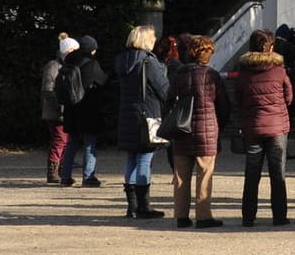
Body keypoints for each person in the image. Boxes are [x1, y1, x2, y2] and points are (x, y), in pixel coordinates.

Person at [165, 34, 234, 228]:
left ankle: (181, 216)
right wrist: (218, 124)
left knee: (181, 175)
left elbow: (169, 101)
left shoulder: (179, 75)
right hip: (206, 129)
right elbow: (224, 105)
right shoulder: (211, 75)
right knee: (204, 173)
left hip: (182, 130)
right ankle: (203, 216)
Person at [233, 28, 294, 226]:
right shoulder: (279, 71)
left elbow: (239, 99)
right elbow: (289, 97)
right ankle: (279, 216)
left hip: (253, 127)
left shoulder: (243, 72)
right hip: (277, 126)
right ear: (272, 47)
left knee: (251, 174)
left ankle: (248, 216)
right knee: (278, 173)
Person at [116, 24, 171, 220]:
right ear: (146, 40)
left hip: (127, 114)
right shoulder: (149, 61)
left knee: (131, 158)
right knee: (145, 159)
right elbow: (163, 89)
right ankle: (144, 207)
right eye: (153, 37)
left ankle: (131, 206)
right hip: (148, 113)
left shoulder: (122, 61)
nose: (155, 40)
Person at [61, 35, 107, 187]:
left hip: (70, 107)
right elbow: (102, 82)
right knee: (89, 142)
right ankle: (88, 176)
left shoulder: (68, 62)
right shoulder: (92, 65)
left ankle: (65, 176)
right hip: (87, 109)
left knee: (72, 143)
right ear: (91, 50)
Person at [41, 33, 76, 183]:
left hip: (63, 111)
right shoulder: (53, 66)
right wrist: (61, 106)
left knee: (65, 140)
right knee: (59, 140)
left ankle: (60, 168)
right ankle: (53, 171)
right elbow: (48, 89)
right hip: (55, 112)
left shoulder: (66, 66)